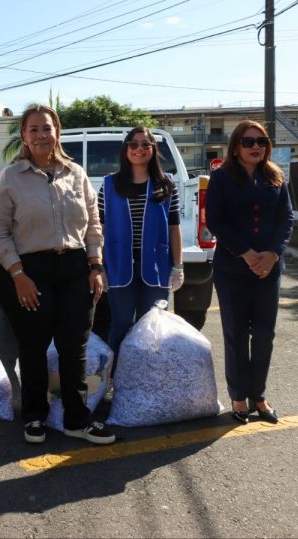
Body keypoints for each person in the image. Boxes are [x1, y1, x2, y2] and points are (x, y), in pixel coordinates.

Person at [0, 104, 114, 446]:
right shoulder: (10, 178)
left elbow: (93, 222)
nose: (41, 135)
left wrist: (95, 265)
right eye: (33, 129)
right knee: (33, 346)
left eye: (47, 128)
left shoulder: (76, 172)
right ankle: (34, 417)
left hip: (74, 268)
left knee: (75, 346)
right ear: (24, 136)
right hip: (30, 271)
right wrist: (17, 274)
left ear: (57, 131)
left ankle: (77, 419)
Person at [206, 120, 293, 424]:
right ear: (236, 147)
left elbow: (286, 220)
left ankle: (259, 395)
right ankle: (238, 397)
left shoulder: (276, 178)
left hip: (269, 269)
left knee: (265, 335)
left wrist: (271, 254)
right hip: (232, 269)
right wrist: (246, 253)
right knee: (236, 334)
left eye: (261, 141)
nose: (256, 146)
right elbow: (216, 221)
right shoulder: (221, 178)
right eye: (248, 141)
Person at [99, 126, 184, 400]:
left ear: (153, 150)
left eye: (145, 144)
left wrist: (179, 265)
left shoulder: (166, 183)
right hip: (119, 264)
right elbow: (98, 227)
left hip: (156, 265)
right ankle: (114, 384)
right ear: (126, 149)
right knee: (121, 325)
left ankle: (150, 381)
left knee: (153, 328)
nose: (139, 148)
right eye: (133, 144)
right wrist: (97, 265)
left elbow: (174, 227)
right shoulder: (109, 184)